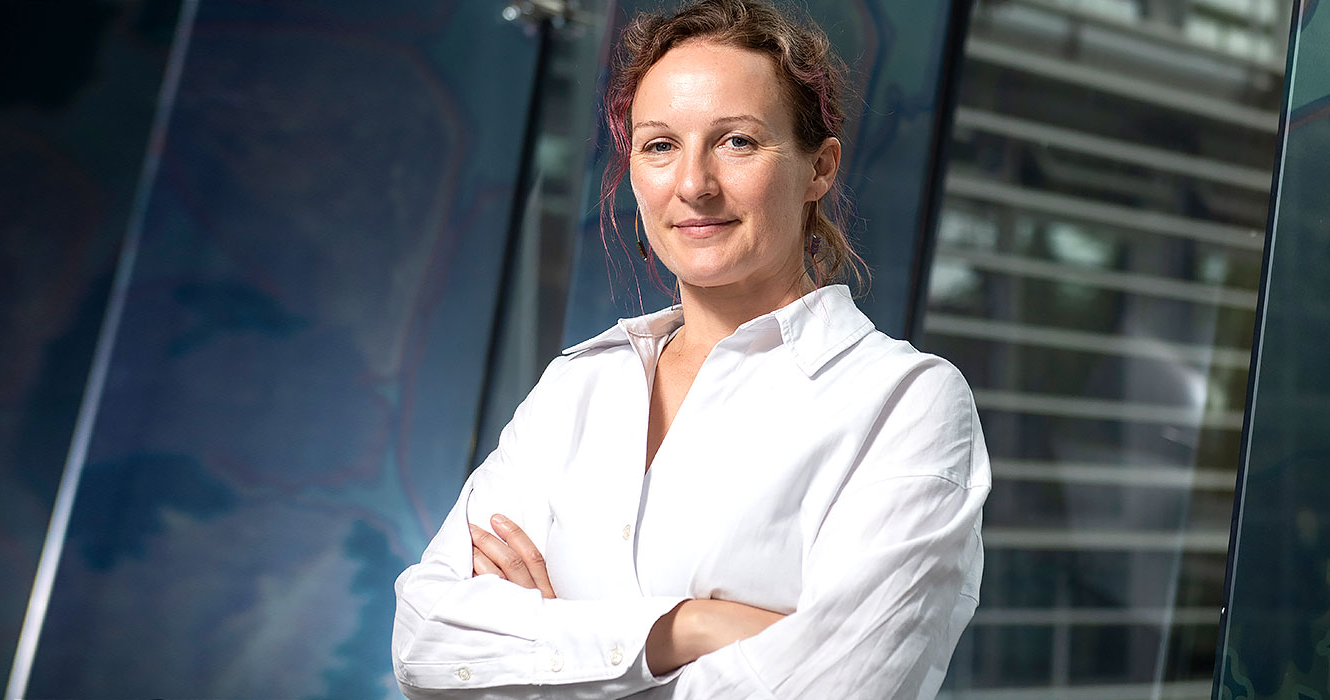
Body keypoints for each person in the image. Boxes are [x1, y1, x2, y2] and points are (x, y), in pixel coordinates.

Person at [391, 0, 990, 697]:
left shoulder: (906, 403)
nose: (694, 185)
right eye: (660, 145)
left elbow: (839, 688)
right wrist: (690, 627)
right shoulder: (578, 387)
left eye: (737, 141)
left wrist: (552, 644)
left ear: (820, 168)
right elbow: (425, 644)